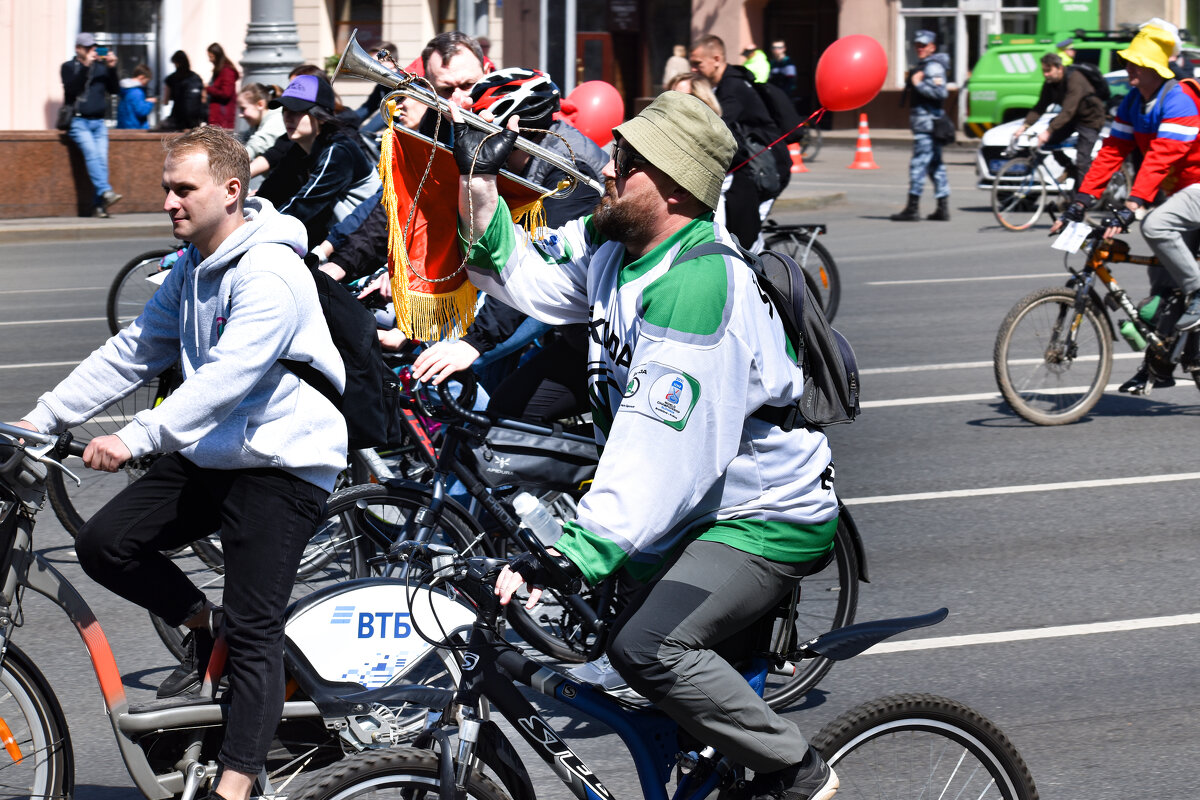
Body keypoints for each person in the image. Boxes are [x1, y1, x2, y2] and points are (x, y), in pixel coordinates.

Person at [441, 90, 840, 800]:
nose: (606, 166)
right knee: (642, 692)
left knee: (645, 648)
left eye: (627, 161)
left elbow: (661, 451)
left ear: (677, 184)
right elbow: (521, 280)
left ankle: (795, 770)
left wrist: (573, 553)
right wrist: (477, 183)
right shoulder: (614, 252)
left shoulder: (698, 282)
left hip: (762, 517)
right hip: (692, 511)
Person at [11, 126, 345, 800]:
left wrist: (137, 437)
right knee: (107, 543)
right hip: (218, 453)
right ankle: (203, 626)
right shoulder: (192, 266)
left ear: (230, 191)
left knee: (256, 629)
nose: (167, 200)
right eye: (165, 187)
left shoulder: (271, 272)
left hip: (283, 462)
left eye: (182, 188)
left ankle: (238, 780)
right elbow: (133, 351)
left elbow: (228, 377)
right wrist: (39, 418)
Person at [408, 67, 606, 419]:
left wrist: (474, 342)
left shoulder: (571, 174)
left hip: (599, 341)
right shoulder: (524, 160)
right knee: (505, 406)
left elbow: (538, 265)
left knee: (513, 416)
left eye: (487, 133)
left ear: (515, 131)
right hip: (576, 334)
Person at [1051, 19, 1200, 393]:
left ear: (1152, 66)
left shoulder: (1180, 98)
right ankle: (1159, 367)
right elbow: (1112, 153)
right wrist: (1079, 201)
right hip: (1180, 194)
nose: (1128, 69)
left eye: (1135, 63)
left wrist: (1133, 204)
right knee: (1164, 287)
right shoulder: (1135, 101)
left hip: (1195, 187)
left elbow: (1161, 157)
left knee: (1154, 227)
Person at [257, 73, 382, 249]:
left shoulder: (339, 150)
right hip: (337, 245)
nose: (288, 117)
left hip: (364, 250)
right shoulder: (299, 149)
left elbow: (305, 205)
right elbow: (271, 191)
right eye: (285, 110)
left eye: (298, 111)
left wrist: (254, 230)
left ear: (321, 116)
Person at [689, 34, 790, 249]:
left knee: (743, 238)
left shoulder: (732, 87)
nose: (694, 70)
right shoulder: (723, 84)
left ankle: (764, 276)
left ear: (716, 59)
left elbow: (720, 128)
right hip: (751, 162)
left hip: (767, 166)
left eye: (698, 64)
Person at [1011, 53, 1105, 185]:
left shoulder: (1075, 79)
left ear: (1059, 68)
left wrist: (1048, 131)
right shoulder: (1050, 83)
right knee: (1049, 142)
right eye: (1044, 71)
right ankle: (1069, 167)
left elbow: (1068, 110)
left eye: (1048, 70)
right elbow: (1040, 106)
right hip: (1072, 118)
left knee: (1082, 160)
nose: (1046, 74)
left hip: (1090, 119)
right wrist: (1025, 125)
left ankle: (1084, 200)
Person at [890, 29, 951, 222]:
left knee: (918, 165)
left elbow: (941, 93)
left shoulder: (932, 67)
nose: (919, 48)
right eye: (917, 45)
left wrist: (918, 84)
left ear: (932, 47)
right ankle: (942, 208)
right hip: (927, 124)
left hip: (927, 125)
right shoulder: (926, 65)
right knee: (935, 166)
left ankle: (912, 208)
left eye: (923, 45)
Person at [61, 33, 121, 218]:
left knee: (101, 161)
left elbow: (114, 90)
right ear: (78, 48)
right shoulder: (69, 67)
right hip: (78, 121)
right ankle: (106, 191)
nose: (91, 51)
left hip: (98, 122)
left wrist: (112, 68)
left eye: (93, 48)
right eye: (87, 48)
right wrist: (86, 66)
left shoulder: (101, 68)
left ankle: (98, 206)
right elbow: (71, 89)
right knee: (93, 155)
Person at [238, 83, 286, 159]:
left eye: (243, 109)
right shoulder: (256, 125)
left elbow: (255, 147)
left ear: (260, 104)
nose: (240, 115)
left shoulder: (276, 121)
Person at [162, 50, 206, 130]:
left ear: (176, 63)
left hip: (178, 118)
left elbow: (165, 101)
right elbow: (203, 98)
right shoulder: (196, 77)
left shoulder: (171, 78)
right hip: (195, 119)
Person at [206, 43, 240, 130]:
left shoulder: (227, 71)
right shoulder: (219, 71)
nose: (210, 60)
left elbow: (226, 93)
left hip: (223, 117)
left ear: (218, 56)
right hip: (218, 116)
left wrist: (208, 89)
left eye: (211, 57)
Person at [117, 63, 156, 129]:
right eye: (147, 81)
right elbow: (141, 111)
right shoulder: (137, 92)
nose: (146, 84)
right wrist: (150, 102)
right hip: (135, 128)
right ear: (142, 77)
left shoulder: (125, 89)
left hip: (124, 126)